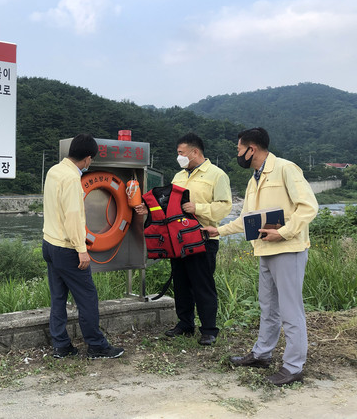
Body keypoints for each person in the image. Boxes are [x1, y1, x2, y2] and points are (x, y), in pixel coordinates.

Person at [203, 127, 318, 386]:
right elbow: (247, 219)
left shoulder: (286, 169)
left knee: (291, 309)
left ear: (251, 149)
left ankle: (293, 366)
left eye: (238, 149)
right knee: (268, 307)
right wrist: (217, 230)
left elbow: (309, 207)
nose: (238, 154)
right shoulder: (254, 178)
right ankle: (262, 354)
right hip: (265, 249)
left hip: (288, 249)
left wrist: (285, 232)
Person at [135, 133, 232, 346]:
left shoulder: (216, 175)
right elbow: (166, 205)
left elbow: (225, 205)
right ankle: (185, 324)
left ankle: (209, 329)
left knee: (202, 284)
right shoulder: (178, 176)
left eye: (181, 153)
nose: (178, 156)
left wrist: (198, 208)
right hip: (176, 239)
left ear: (194, 152)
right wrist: (148, 209)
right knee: (180, 283)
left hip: (202, 237)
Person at [42, 133, 124, 359]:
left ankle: (61, 345)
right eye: (91, 160)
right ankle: (97, 346)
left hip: (49, 243)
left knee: (58, 298)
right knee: (87, 297)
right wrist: (81, 249)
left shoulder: (54, 171)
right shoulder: (71, 179)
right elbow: (73, 217)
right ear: (87, 159)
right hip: (67, 249)